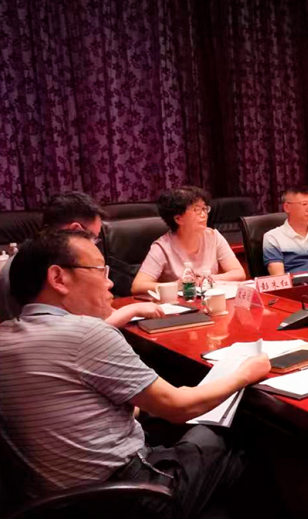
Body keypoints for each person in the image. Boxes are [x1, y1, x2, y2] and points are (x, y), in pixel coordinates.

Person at [0, 230, 271, 518]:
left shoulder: (5, 337)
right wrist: (244, 374)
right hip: (124, 499)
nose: (110, 283)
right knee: (238, 431)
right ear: (58, 278)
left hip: (50, 503)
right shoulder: (86, 334)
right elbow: (179, 407)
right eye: (100, 270)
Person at [0, 192, 163, 326]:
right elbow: (66, 329)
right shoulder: (36, 265)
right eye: (94, 238)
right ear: (75, 230)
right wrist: (132, 310)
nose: (95, 245)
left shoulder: (32, 255)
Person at [131, 186, 246, 295]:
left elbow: (239, 273)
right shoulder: (162, 247)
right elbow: (138, 286)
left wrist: (208, 279)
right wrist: (176, 285)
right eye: (197, 209)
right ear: (178, 219)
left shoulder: (213, 236)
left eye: (204, 208)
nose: (204, 215)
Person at [262, 186, 308, 275]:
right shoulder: (272, 237)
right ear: (287, 207)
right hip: (296, 282)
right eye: (304, 204)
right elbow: (278, 276)